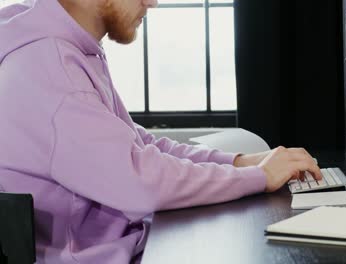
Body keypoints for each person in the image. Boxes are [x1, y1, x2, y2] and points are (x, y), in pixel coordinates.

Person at [0, 0, 322, 263]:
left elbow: (140, 143)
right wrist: (259, 178)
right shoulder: (51, 68)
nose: (152, 3)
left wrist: (242, 163)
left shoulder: (69, 49)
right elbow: (140, 181)